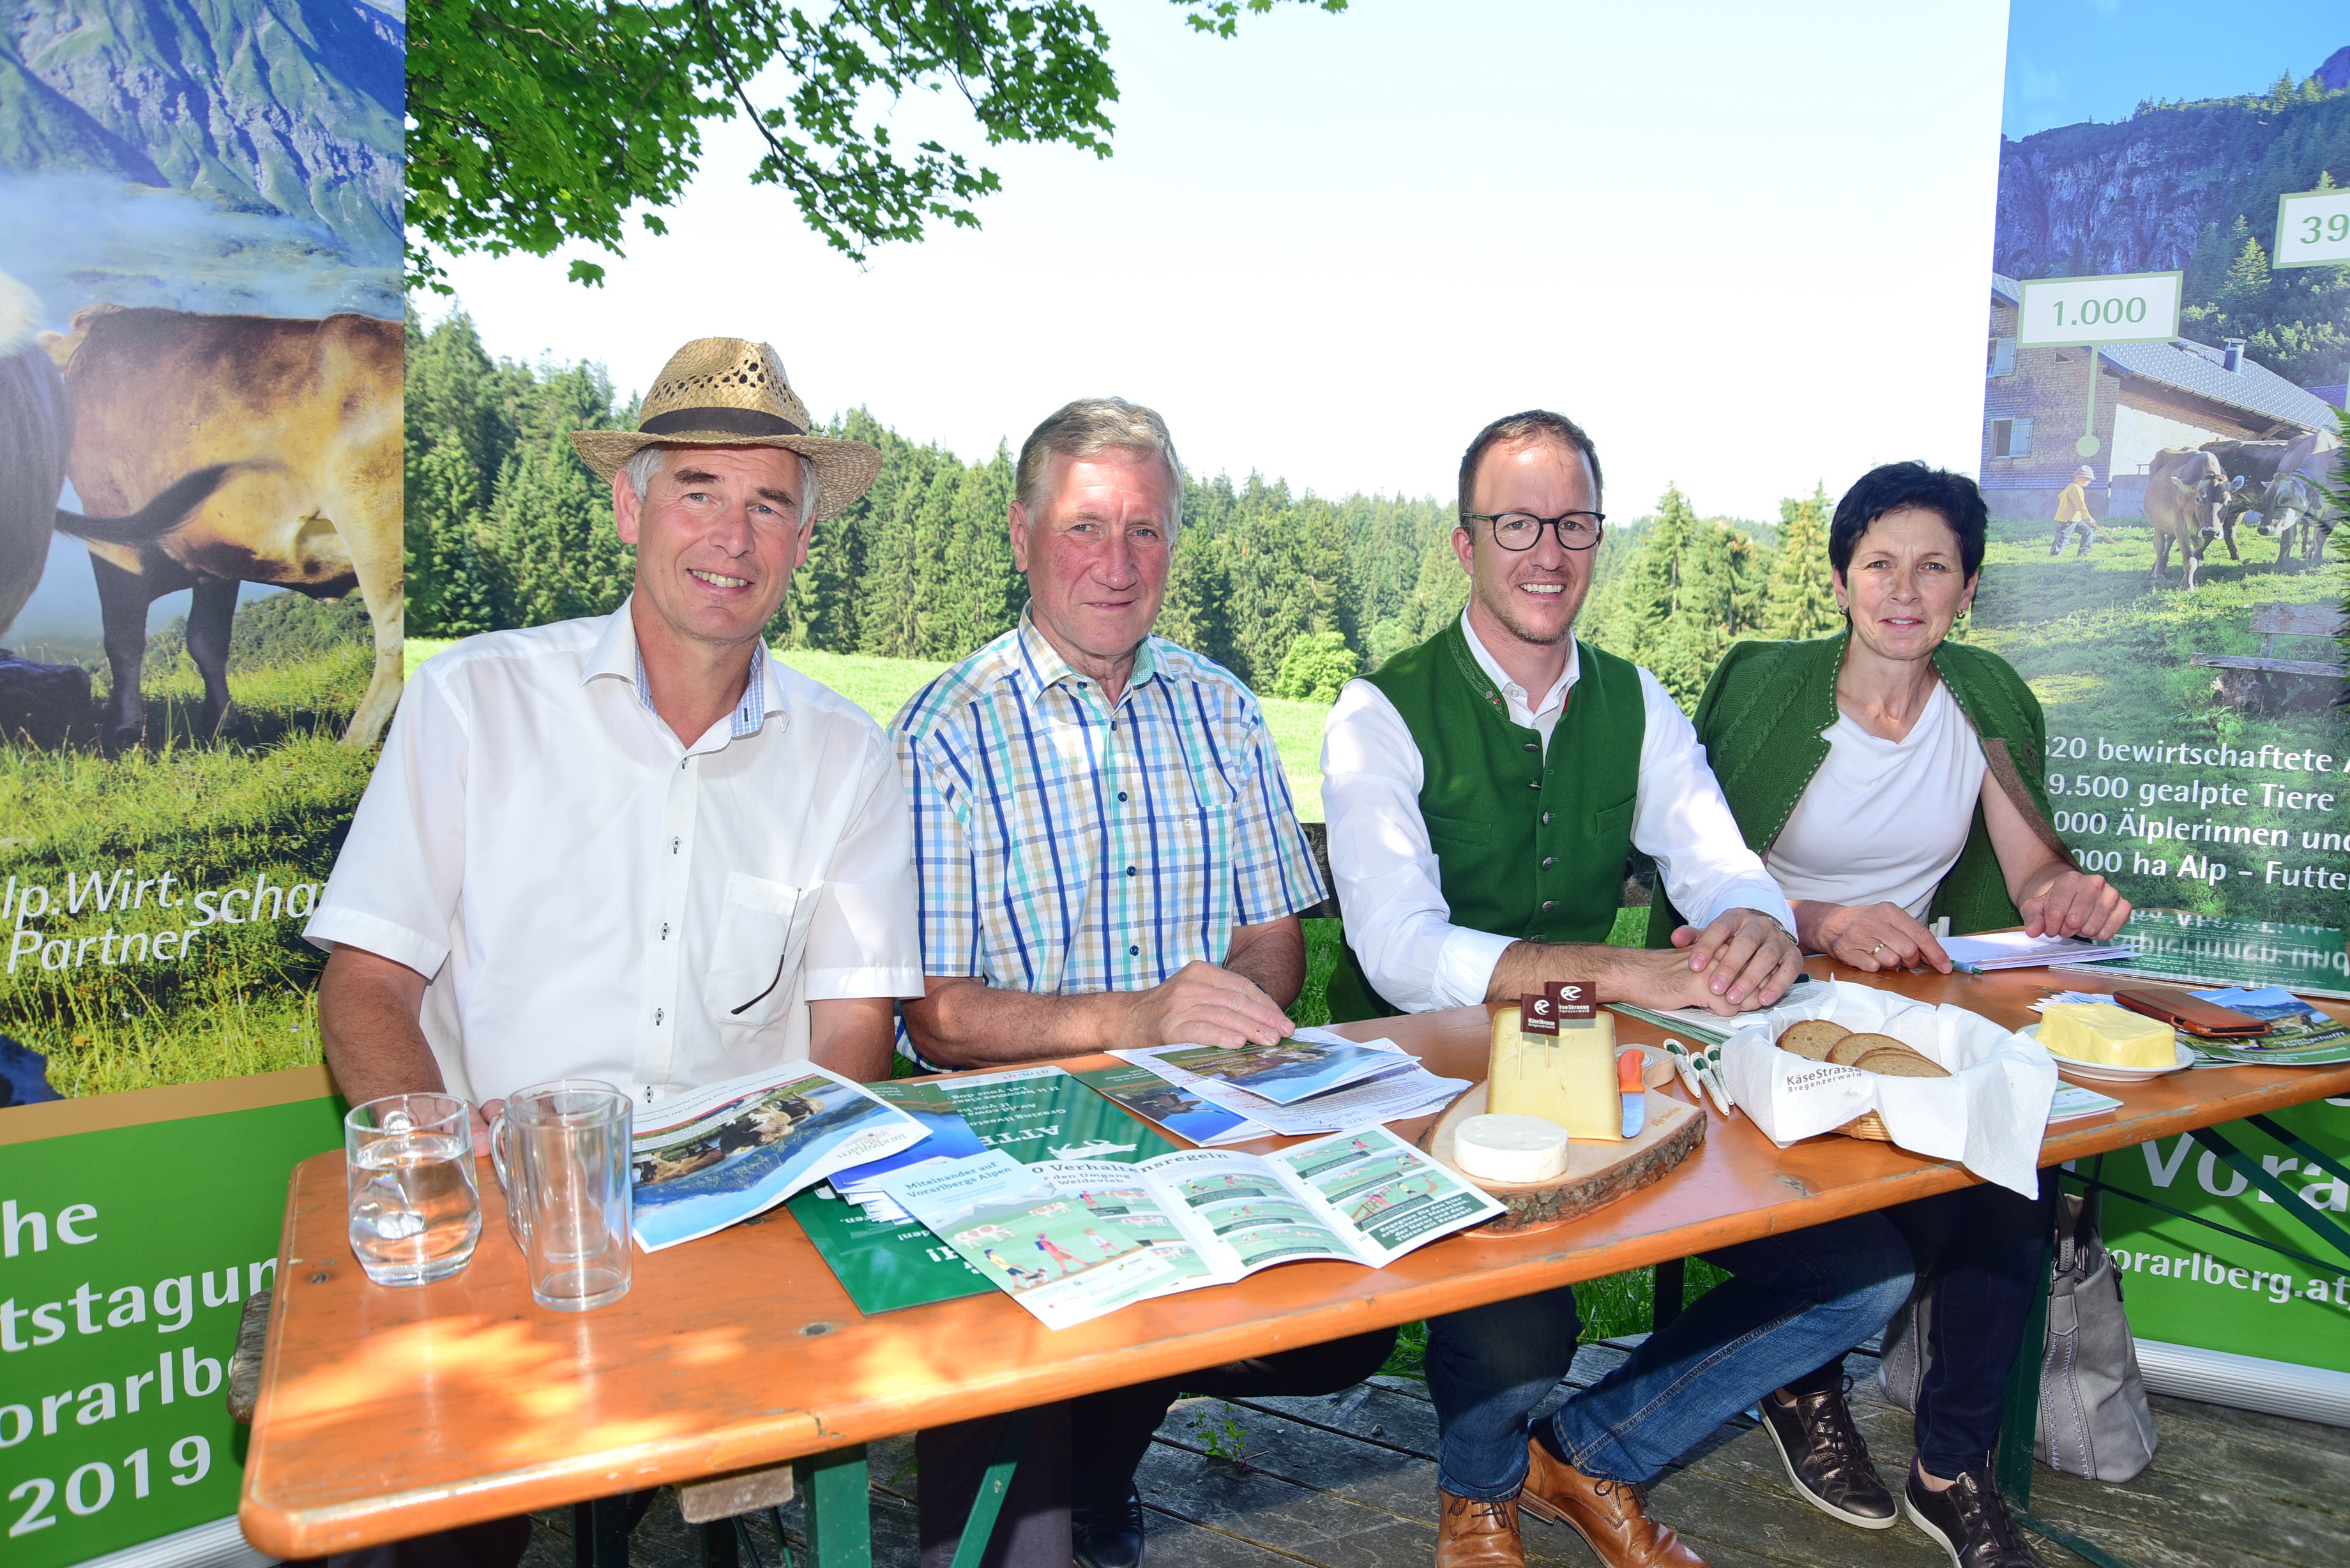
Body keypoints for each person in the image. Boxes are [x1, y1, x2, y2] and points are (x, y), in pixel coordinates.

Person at [303, 338, 918, 1567]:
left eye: (768, 505)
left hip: (732, 1234)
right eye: (697, 490)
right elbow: (365, 983)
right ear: (629, 504)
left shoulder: (852, 756)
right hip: (499, 1223)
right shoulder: (473, 702)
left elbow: (852, 1028)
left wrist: (766, 1179)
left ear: (803, 542)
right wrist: (442, 1149)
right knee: (418, 1537)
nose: (730, 538)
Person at [1321, 410, 1914, 1568]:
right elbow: (1398, 949)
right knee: (1525, 1313)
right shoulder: (1377, 712)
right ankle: (1480, 1492)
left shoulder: (1636, 701)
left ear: (1600, 534)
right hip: (1415, 1084)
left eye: (1576, 522)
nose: (1550, 551)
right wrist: (1635, 968)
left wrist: (1753, 921)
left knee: (1863, 1270)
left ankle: (1593, 1450)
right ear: (1464, 545)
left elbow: (1721, 859)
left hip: (1599, 1077)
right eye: (1518, 523)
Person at [891, 397, 1395, 1568]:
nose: (1116, 566)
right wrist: (1143, 1023)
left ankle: (1105, 1444)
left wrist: (1211, 1032)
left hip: (1198, 1114)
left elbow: (1276, 940)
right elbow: (940, 1014)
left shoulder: (1220, 708)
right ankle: (1057, 1479)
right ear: (1022, 536)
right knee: (1009, 1519)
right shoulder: (948, 731)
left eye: (1147, 532)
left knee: (1349, 1326)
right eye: (1084, 528)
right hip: (1010, 1141)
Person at [1659, 460, 2130, 1568]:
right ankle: (1802, 1381)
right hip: (1753, 1000)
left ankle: (1951, 1462)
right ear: (1840, 581)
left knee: (2016, 1178)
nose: (1905, 590)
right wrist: (1821, 920)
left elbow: (2034, 869)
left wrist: (2065, 890)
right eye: (1880, 563)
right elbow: (1691, 874)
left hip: (1907, 1014)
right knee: (1839, 1195)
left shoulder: (1988, 700)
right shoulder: (1764, 684)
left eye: (1934, 566)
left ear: (1968, 587)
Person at [2051, 464, 2096, 556]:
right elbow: (2081, 504)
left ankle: (2084, 553)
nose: (2089, 482)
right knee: (2064, 537)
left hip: (2076, 518)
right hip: (2068, 518)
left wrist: (2069, 503)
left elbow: (2060, 496)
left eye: (2090, 480)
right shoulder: (2076, 488)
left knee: (2088, 532)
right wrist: (2088, 517)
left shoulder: (2071, 486)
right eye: (2087, 479)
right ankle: (2054, 555)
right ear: (2079, 477)